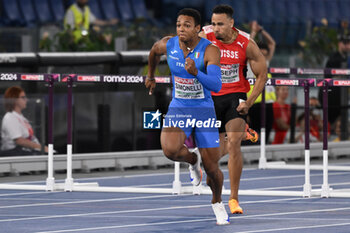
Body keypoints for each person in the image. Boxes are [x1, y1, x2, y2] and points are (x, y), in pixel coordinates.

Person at [145, 8, 230, 225]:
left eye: (187, 25)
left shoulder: (210, 51)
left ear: (198, 29)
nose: (181, 29)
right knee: (170, 150)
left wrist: (196, 73)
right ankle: (193, 160)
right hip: (179, 107)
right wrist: (151, 76)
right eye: (179, 24)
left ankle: (217, 202)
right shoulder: (169, 44)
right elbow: (154, 52)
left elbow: (216, 85)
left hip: (203, 110)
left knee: (212, 169)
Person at [199, 5, 267, 214]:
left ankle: (234, 199)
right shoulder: (205, 35)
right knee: (209, 157)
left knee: (234, 143)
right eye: (213, 23)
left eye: (220, 24)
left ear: (231, 23)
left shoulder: (247, 44)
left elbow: (262, 75)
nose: (216, 28)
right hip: (210, 98)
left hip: (234, 97)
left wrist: (249, 102)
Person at [247, 20, 276, 144]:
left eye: (265, 55)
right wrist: (253, 32)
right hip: (253, 103)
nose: (264, 57)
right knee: (254, 135)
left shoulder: (266, 62)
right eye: (261, 54)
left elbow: (272, 44)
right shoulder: (248, 62)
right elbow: (247, 44)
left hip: (268, 103)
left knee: (267, 132)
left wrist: (261, 30)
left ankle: (263, 154)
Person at [1, 86, 48, 156]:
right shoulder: (10, 117)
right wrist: (41, 148)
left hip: (28, 152)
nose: (26, 100)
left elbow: (30, 137)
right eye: (23, 97)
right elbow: (19, 141)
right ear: (14, 100)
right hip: (16, 155)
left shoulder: (22, 118)